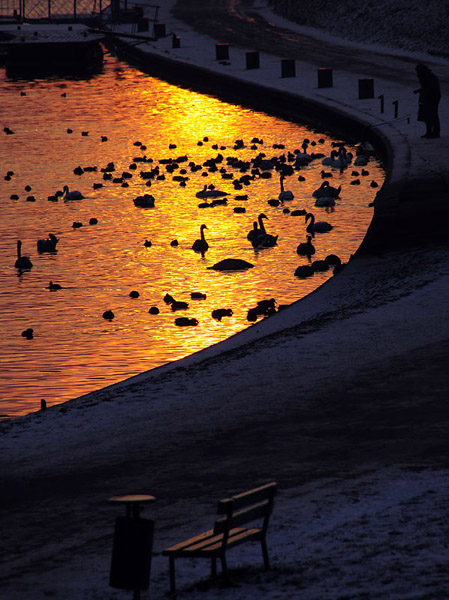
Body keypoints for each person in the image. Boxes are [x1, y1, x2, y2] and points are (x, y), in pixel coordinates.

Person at [414, 64, 441, 138]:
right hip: (428, 97)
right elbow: (425, 87)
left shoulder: (428, 77)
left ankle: (435, 133)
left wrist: (425, 95)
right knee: (428, 115)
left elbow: (430, 88)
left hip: (432, 98)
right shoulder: (425, 76)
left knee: (432, 115)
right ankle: (429, 132)